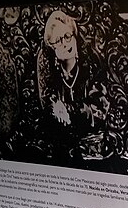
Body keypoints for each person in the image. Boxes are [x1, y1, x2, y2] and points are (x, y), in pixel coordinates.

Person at [37, 9, 111, 161]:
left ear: (75, 37)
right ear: (52, 47)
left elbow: (98, 111)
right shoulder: (52, 74)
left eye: (67, 36)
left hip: (92, 150)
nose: (64, 43)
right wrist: (54, 107)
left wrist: (69, 110)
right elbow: (46, 105)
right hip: (62, 149)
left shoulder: (92, 67)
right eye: (58, 40)